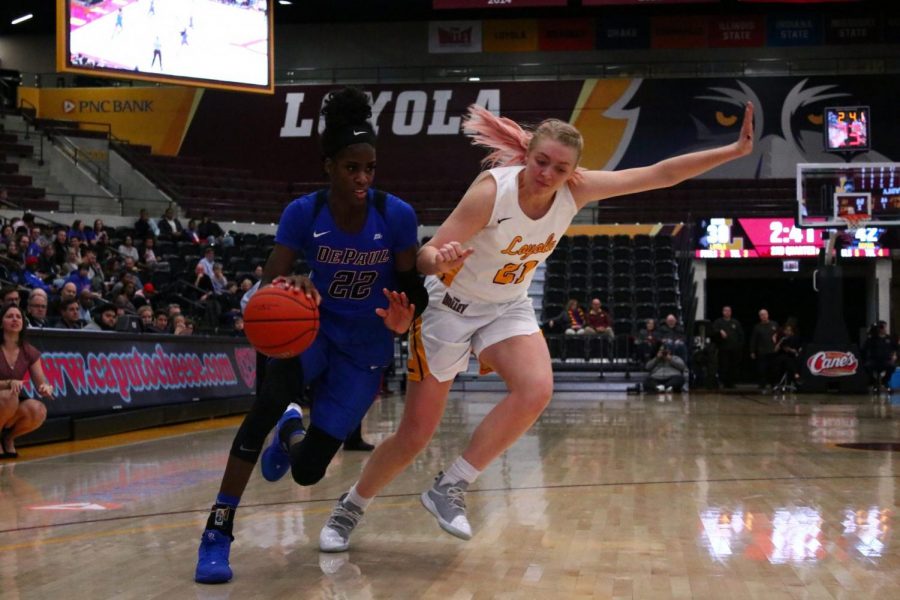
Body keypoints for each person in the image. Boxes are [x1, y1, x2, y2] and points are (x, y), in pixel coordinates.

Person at [321, 101, 754, 550]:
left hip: (506, 306)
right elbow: (427, 255)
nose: (547, 174)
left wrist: (733, 151)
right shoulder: (491, 191)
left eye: (560, 168)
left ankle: (450, 485)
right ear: (528, 155)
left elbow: (661, 173)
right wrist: (441, 257)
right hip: (448, 307)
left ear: (574, 172)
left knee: (536, 388)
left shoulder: (575, 192)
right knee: (415, 435)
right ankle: (350, 506)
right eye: (541, 161)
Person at [194, 87, 426, 584]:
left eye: (370, 168)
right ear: (329, 165)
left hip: (365, 348)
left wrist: (405, 317)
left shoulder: (397, 215)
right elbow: (263, 288)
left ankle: (293, 431)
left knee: (306, 472)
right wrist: (287, 282)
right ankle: (217, 531)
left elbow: (413, 290)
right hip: (313, 332)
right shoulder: (304, 212)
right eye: (351, 168)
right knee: (262, 410)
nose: (362, 178)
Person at [0, 304, 54, 458]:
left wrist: (46, 387)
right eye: (9, 316)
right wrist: (8, 383)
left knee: (38, 410)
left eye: (18, 317)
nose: (15, 319)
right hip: (5, 398)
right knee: (9, 396)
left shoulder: (29, 351)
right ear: (1, 322)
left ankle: (8, 438)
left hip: (11, 400)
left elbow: (40, 381)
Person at [711, 305, 744, 388]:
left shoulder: (735, 322)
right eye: (725, 311)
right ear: (723, 312)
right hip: (723, 348)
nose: (727, 312)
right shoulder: (718, 322)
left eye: (729, 311)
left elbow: (741, 335)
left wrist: (739, 346)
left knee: (733, 366)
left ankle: (731, 383)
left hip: (734, 349)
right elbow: (712, 331)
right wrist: (720, 331)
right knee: (723, 366)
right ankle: (723, 383)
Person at [862, 321, 896, 392]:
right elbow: (864, 348)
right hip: (874, 361)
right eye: (881, 327)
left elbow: (895, 348)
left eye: (884, 327)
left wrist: (894, 356)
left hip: (886, 361)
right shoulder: (872, 339)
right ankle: (873, 381)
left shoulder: (889, 338)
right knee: (867, 366)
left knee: (892, 366)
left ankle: (885, 381)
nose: (883, 329)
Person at [750, 308, 779, 393]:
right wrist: (752, 351)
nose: (764, 316)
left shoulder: (774, 324)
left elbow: (780, 335)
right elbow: (753, 340)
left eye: (765, 314)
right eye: (761, 315)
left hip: (773, 351)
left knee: (773, 369)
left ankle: (774, 384)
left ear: (768, 315)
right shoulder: (757, 327)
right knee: (762, 369)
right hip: (762, 351)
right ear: (759, 317)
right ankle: (762, 384)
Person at [772, 324, 802, 392]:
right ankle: (796, 375)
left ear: (792, 332)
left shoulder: (795, 339)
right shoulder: (782, 339)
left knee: (788, 360)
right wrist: (780, 342)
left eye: (789, 330)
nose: (787, 332)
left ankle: (795, 376)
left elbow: (796, 351)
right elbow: (775, 350)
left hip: (791, 357)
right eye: (786, 330)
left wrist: (790, 350)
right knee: (783, 360)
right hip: (781, 357)